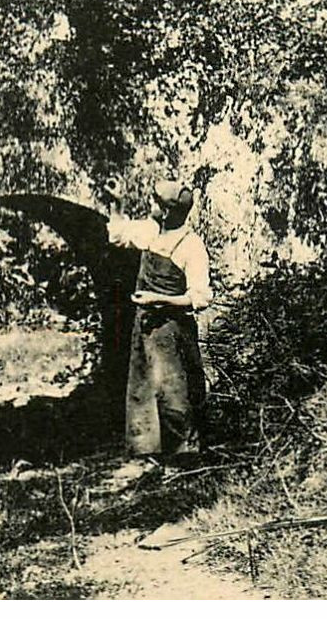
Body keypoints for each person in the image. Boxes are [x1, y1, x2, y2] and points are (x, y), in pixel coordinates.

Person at [106, 178, 213, 460]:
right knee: (144, 386)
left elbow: (200, 298)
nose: (149, 205)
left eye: (154, 202)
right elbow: (118, 235)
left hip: (172, 331)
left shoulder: (191, 246)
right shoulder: (151, 231)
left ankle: (184, 458)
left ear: (166, 211)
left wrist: (159, 300)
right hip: (146, 327)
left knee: (173, 391)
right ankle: (149, 451)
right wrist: (117, 204)